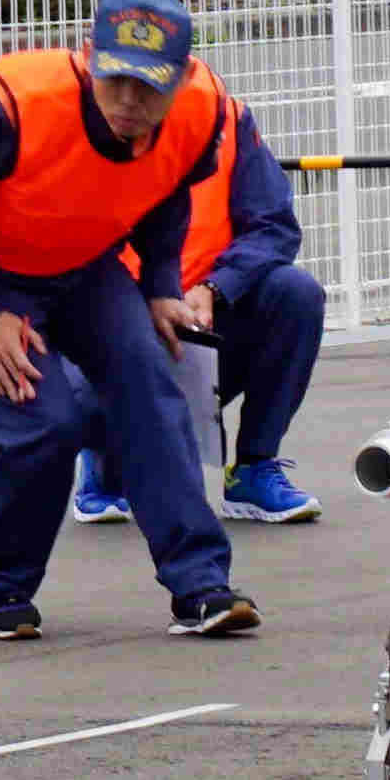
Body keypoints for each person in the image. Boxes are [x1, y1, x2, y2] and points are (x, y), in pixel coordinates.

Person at [0, 0, 261, 643]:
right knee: (42, 426)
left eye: (148, 87)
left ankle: (201, 583)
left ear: (180, 79)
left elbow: (167, 194)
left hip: (82, 264)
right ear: (88, 56)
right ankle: (1, 587)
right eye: (114, 78)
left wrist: (161, 285)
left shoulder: (202, 113)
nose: (128, 101)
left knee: (150, 385)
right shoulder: (12, 103)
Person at [70, 81, 327, 529]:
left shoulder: (226, 117)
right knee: (93, 341)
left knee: (296, 295)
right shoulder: (77, 124)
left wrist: (215, 287)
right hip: (117, 316)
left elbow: (273, 227)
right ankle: (103, 466)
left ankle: (253, 466)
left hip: (205, 316)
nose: (136, 100)